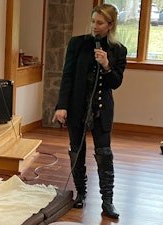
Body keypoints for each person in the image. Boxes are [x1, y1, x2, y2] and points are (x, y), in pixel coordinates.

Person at [52, 4, 127, 219]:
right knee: (76, 151)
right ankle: (81, 193)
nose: (95, 26)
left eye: (100, 23)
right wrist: (61, 106)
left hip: (101, 110)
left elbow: (116, 82)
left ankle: (107, 201)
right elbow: (67, 76)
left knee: (104, 154)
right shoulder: (78, 44)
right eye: (93, 21)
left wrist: (106, 64)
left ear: (110, 25)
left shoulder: (118, 50)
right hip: (77, 107)